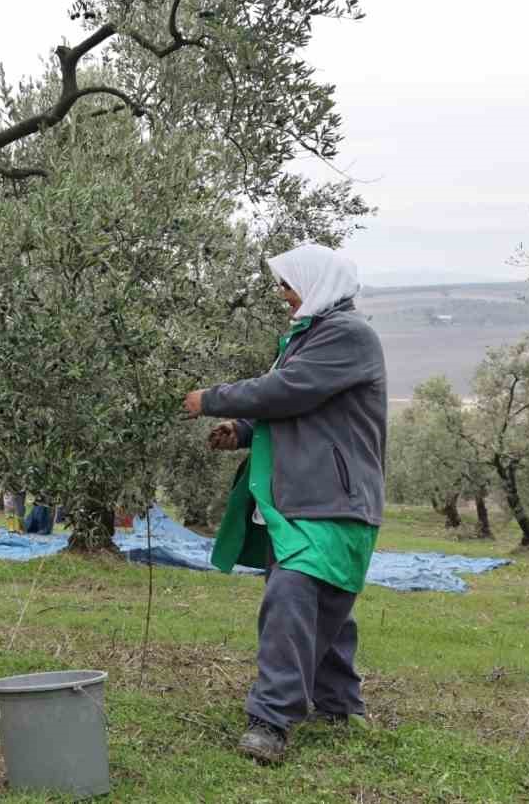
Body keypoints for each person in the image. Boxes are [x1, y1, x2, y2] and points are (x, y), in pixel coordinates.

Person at [182, 243, 386, 765]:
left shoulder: (347, 334)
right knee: (322, 603)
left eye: (287, 284)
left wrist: (213, 400)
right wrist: (243, 429)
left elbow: (288, 391)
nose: (282, 295)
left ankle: (271, 721)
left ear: (316, 283)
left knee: (294, 599)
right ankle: (339, 706)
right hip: (302, 497)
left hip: (330, 499)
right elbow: (301, 407)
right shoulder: (311, 336)